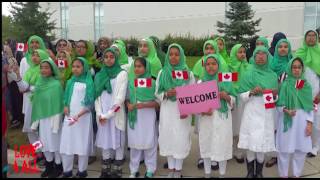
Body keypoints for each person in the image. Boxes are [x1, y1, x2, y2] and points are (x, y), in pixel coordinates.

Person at [155, 43, 195, 178]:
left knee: (180, 138)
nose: (173, 57)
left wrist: (187, 109)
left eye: (177, 54)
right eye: (171, 54)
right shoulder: (162, 72)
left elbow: (193, 93)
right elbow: (156, 92)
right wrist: (166, 94)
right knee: (168, 137)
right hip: (167, 110)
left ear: (181, 56)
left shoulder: (187, 74)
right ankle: (171, 169)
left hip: (182, 112)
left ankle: (178, 170)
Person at [238, 46, 278, 178]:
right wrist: (251, 92)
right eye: (258, 54)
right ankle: (250, 172)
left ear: (268, 57)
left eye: (264, 54)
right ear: (254, 57)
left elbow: (275, 98)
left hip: (266, 112)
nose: (261, 56)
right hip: (251, 111)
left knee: (261, 145)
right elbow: (241, 97)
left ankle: (259, 172)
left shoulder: (272, 75)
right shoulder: (247, 74)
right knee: (250, 145)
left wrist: (273, 94)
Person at [198, 54, 237, 178]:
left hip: (222, 118)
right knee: (207, 145)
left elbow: (234, 100)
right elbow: (195, 104)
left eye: (213, 64)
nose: (210, 67)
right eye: (208, 64)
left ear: (219, 65)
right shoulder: (201, 82)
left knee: (222, 146)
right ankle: (207, 173)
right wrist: (203, 111)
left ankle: (222, 174)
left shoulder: (226, 81)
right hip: (207, 119)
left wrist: (225, 96)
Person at [276, 57, 313, 178]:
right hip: (287, 122)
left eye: (299, 67)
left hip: (301, 122)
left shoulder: (306, 85)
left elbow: (309, 107)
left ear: (302, 69)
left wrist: (309, 124)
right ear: (290, 69)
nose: (296, 70)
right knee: (284, 151)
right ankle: (283, 175)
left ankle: (297, 174)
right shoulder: (285, 85)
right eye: (294, 67)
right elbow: (278, 105)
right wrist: (286, 110)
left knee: (300, 151)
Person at [94, 48, 128, 178]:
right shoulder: (99, 75)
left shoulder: (122, 74)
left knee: (118, 141)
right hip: (102, 114)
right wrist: (99, 114)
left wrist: (108, 115)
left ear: (116, 58)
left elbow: (120, 98)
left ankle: (117, 170)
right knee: (105, 141)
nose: (108, 59)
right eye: (106, 57)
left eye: (111, 57)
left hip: (115, 114)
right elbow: (96, 96)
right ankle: (105, 170)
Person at [60, 57, 95, 178]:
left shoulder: (89, 83)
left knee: (81, 143)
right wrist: (65, 106)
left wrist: (78, 115)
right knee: (67, 142)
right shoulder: (70, 81)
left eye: (78, 66)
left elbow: (90, 103)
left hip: (82, 118)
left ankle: (82, 171)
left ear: (84, 68)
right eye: (73, 66)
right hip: (70, 116)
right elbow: (66, 96)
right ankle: (67, 170)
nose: (75, 69)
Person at [29, 59, 64, 178]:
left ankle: (59, 166)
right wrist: (35, 123)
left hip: (53, 120)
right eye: (42, 67)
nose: (43, 70)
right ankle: (49, 165)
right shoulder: (39, 83)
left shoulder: (56, 85)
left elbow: (58, 105)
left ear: (52, 69)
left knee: (55, 143)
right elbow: (37, 104)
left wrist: (56, 124)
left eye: (46, 68)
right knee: (44, 143)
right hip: (42, 119)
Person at [127, 57, 159, 178]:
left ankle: (150, 168)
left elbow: (157, 103)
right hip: (134, 116)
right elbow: (127, 99)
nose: (137, 69)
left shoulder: (153, 83)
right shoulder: (131, 82)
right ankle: (133, 170)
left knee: (149, 142)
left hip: (148, 115)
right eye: (135, 66)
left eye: (140, 66)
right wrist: (129, 105)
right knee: (134, 143)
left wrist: (143, 105)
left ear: (146, 68)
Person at [295, 30, 320, 158]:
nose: (311, 38)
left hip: (317, 94)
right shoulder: (300, 53)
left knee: (316, 122)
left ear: (317, 38)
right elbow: (296, 74)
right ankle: (304, 145)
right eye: (308, 36)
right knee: (302, 120)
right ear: (305, 38)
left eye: (313, 36)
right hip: (302, 93)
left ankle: (315, 146)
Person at [229, 44, 252, 164]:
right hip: (232, 99)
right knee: (230, 126)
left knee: (240, 125)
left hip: (244, 99)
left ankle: (238, 151)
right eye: (239, 52)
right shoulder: (229, 67)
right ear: (234, 53)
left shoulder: (248, 67)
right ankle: (228, 150)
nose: (242, 54)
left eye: (244, 52)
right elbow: (225, 83)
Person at [3, 45, 23, 128]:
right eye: (5, 51)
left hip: (13, 83)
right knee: (12, 102)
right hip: (10, 83)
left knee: (15, 101)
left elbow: (14, 70)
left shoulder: (11, 59)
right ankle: (16, 118)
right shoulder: (8, 59)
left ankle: (17, 119)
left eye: (7, 51)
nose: (6, 52)